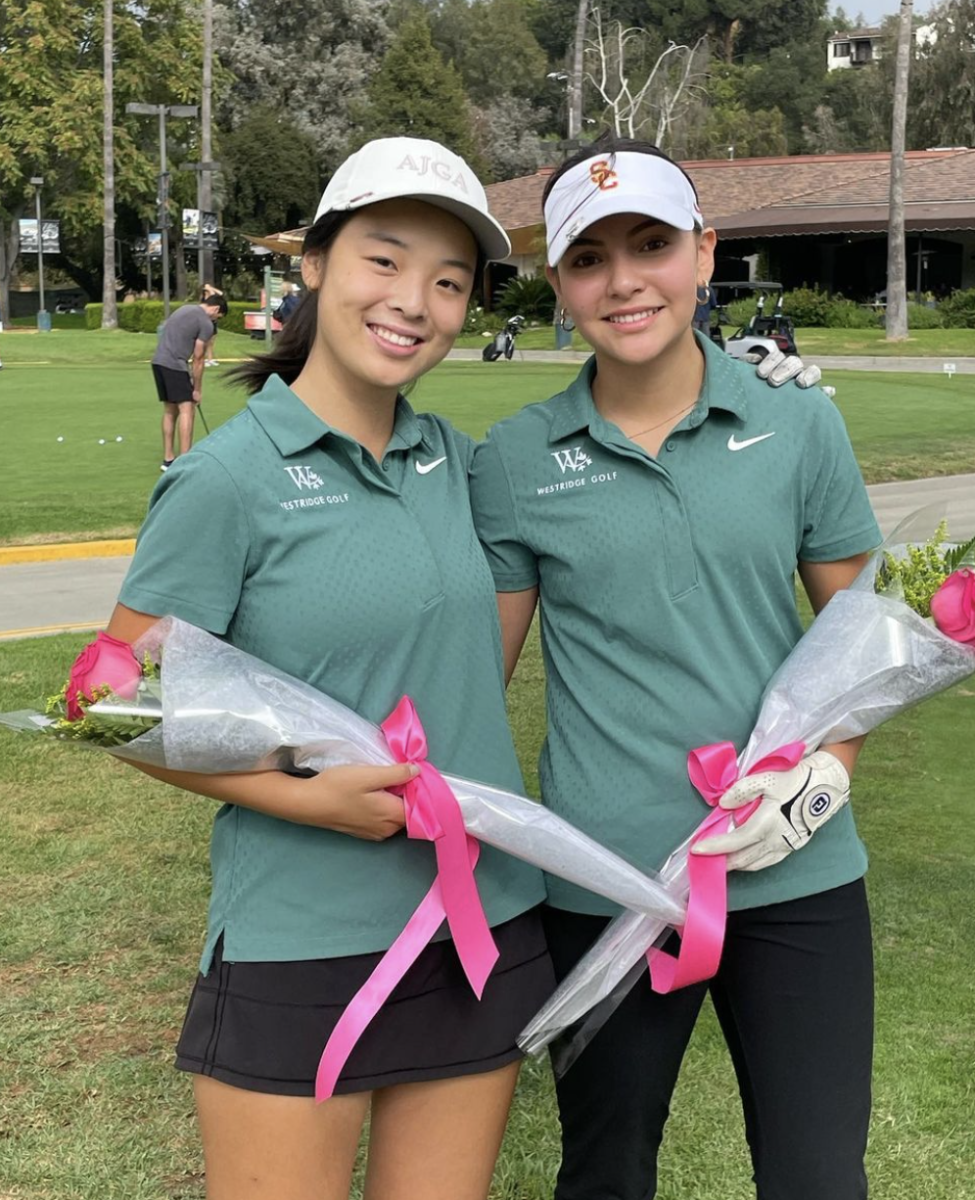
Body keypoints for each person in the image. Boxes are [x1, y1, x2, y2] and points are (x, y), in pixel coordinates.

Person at [101, 137, 553, 1200]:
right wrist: (314, 803)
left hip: (476, 921)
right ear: (314, 264)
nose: (416, 302)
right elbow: (114, 703)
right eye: (385, 262)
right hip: (299, 937)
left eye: (450, 282)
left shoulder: (454, 461)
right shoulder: (226, 481)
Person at [470, 134, 881, 1200]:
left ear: (704, 253)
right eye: (590, 258)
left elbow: (866, 637)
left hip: (798, 870)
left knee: (818, 1175)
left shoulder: (799, 427)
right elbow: (476, 677)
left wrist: (828, 763)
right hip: (606, 881)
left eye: (650, 243)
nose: (624, 280)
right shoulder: (515, 460)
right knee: (605, 1172)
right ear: (558, 283)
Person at [151, 291, 228, 471]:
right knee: (187, 409)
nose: (216, 321)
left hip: (158, 362)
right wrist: (197, 389)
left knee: (170, 410)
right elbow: (199, 357)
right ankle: (185, 460)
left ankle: (168, 459)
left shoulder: (183, 309)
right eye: (218, 317)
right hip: (175, 364)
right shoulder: (206, 323)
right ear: (215, 309)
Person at [200, 283, 224, 366]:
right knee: (206, 341)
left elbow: (221, 294)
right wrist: (209, 289)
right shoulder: (206, 299)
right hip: (207, 321)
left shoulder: (213, 296)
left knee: (211, 342)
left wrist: (212, 287)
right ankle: (204, 359)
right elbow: (214, 296)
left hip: (214, 322)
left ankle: (210, 359)